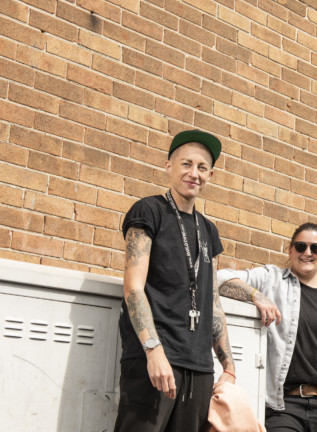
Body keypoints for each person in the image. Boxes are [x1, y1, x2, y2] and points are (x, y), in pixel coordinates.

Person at [114, 130, 236, 432]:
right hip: (154, 358)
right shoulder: (149, 211)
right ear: (169, 166)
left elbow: (213, 302)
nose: (194, 174)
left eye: (202, 168)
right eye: (186, 164)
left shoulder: (209, 231)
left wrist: (228, 365)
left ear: (210, 175)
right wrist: (153, 351)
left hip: (198, 366)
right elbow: (133, 288)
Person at [218, 222, 317, 432]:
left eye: (315, 248)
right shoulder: (271, 279)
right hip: (284, 407)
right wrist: (256, 295)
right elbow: (219, 278)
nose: (307, 252)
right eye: (300, 246)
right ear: (290, 250)